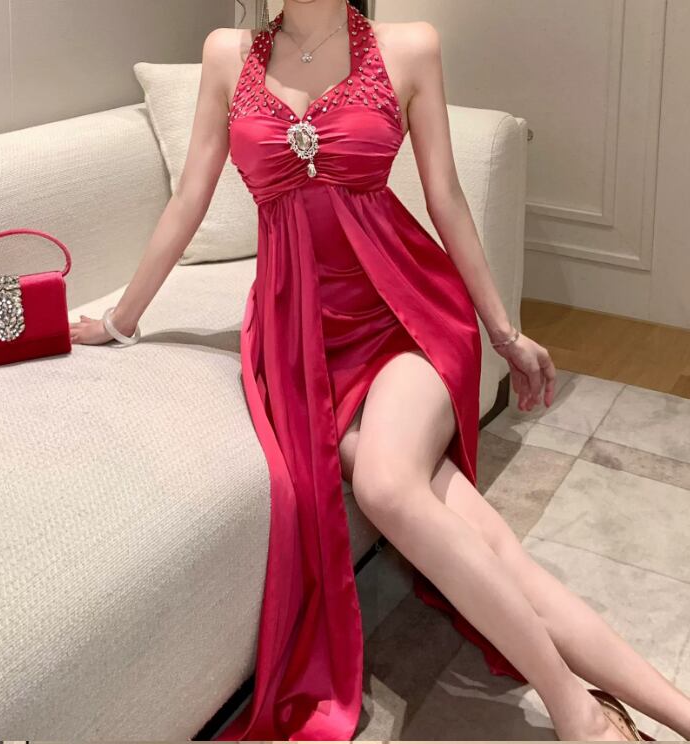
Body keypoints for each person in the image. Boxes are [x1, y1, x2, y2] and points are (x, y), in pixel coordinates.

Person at [70, 0, 690, 740]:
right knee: (477, 533)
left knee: (387, 484)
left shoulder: (410, 46)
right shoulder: (224, 55)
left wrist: (504, 332)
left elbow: (447, 198)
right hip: (300, 337)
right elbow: (188, 198)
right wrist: (120, 319)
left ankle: (576, 712)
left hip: (406, 312)